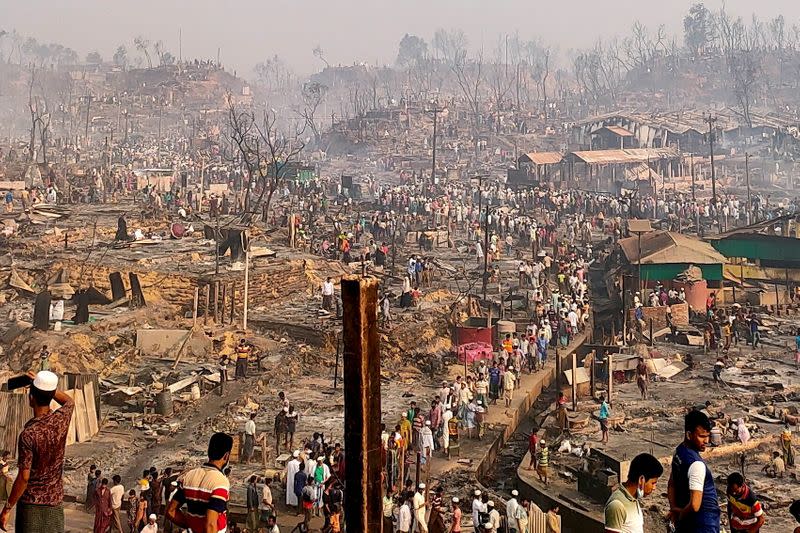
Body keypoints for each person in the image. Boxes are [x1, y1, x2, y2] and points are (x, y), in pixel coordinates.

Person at [0, 370, 75, 533]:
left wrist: (7, 508)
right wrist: (45, 387)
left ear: (31, 398)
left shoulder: (28, 434)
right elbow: (69, 401)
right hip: (55, 504)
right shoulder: (61, 420)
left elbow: (24, 477)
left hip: (31, 507)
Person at [166, 432, 233, 533]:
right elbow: (211, 524)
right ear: (226, 456)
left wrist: (191, 527)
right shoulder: (221, 482)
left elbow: (170, 511)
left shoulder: (189, 475)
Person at [667, 410, 720, 533]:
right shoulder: (696, 464)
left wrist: (674, 509)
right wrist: (679, 514)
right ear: (689, 435)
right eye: (701, 436)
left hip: (688, 522)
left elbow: (671, 484)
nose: (706, 441)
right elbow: (695, 505)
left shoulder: (678, 452)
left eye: (707, 435)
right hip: (704, 525)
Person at [604, 453, 664, 533]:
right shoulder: (617, 505)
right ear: (641, 480)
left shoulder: (633, 498)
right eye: (653, 483)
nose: (654, 488)